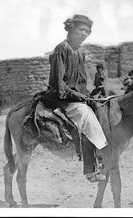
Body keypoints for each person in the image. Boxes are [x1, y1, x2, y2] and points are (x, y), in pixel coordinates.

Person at [47, 14, 107, 182]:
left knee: (102, 108)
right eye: (81, 30)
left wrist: (87, 95)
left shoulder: (80, 51)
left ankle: (100, 154)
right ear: (71, 29)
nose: (84, 34)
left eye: (87, 32)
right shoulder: (62, 48)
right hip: (61, 97)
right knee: (85, 115)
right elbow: (59, 84)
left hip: (76, 95)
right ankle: (93, 166)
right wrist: (77, 96)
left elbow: (80, 80)